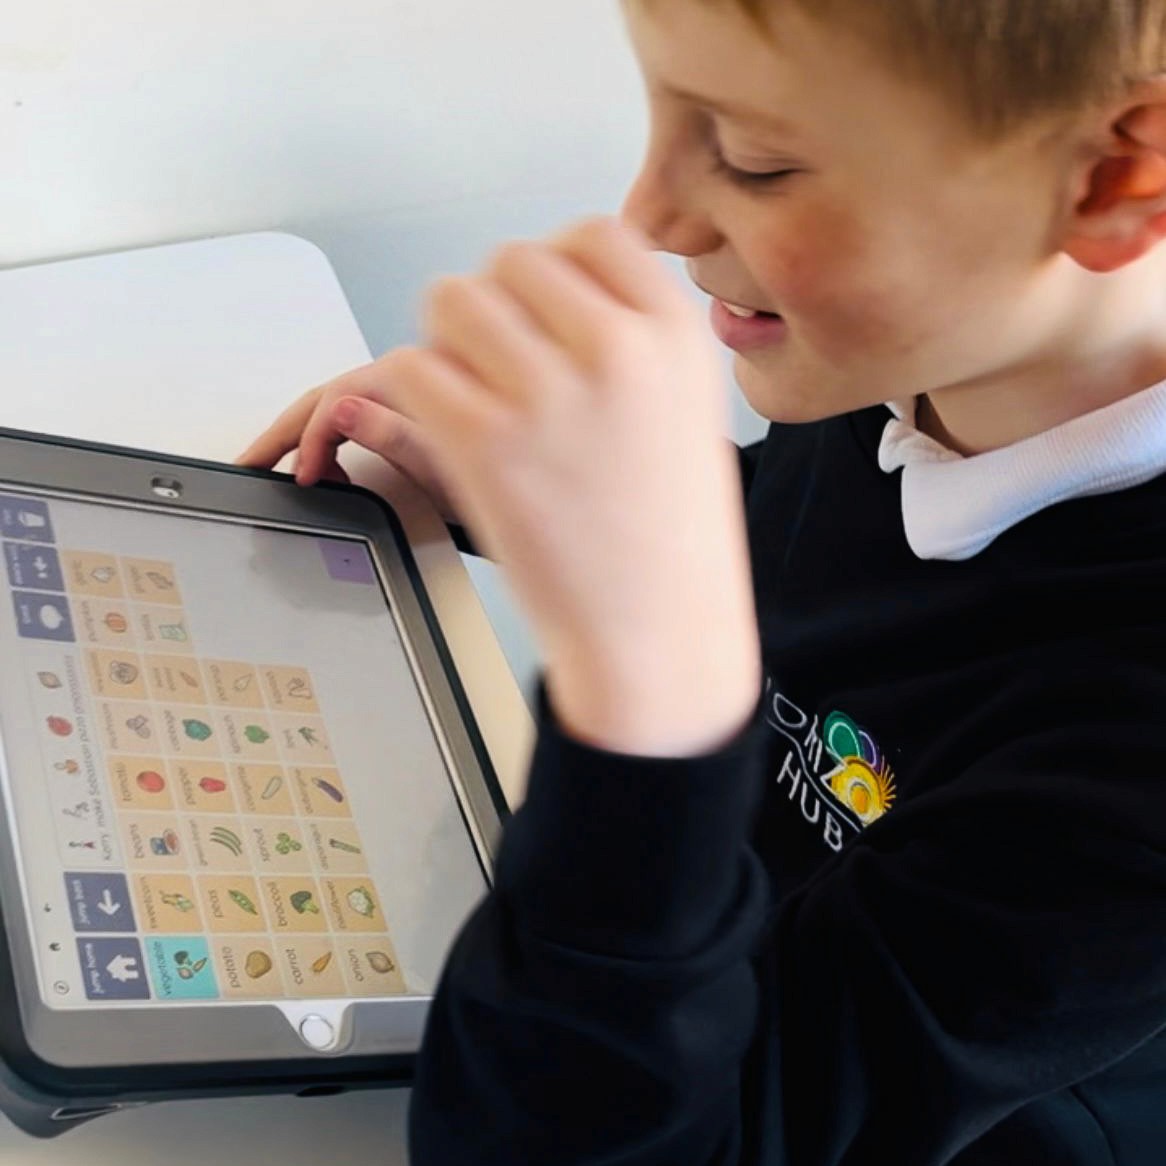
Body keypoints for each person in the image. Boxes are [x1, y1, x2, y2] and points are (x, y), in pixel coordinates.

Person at [238, 1, 1166, 1161]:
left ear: (1110, 182)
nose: (653, 217)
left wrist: (647, 708)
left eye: (757, 160)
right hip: (655, 959)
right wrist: (554, 481)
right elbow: (820, 563)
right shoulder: (910, 364)